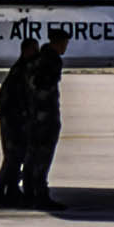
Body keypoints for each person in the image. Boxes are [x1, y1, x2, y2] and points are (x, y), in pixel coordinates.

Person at [24, 27, 71, 210]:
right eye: (64, 43)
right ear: (58, 43)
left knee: (32, 155)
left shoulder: (37, 59)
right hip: (45, 115)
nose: (65, 47)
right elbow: (44, 88)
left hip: (34, 115)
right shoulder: (51, 61)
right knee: (42, 156)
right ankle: (40, 195)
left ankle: (29, 193)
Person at [0, 38, 37, 206]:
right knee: (14, 156)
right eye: (34, 49)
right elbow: (12, 93)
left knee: (15, 156)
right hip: (14, 119)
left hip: (14, 118)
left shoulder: (21, 68)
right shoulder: (22, 70)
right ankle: (1, 190)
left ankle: (10, 190)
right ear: (27, 50)